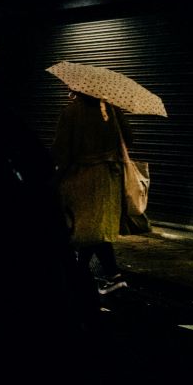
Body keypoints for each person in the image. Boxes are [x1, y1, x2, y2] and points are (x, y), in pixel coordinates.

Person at [51, 92, 129, 292]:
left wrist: (55, 177)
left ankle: (109, 274)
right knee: (94, 228)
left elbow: (61, 150)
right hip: (109, 178)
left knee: (82, 227)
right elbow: (129, 139)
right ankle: (82, 273)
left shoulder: (72, 112)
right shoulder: (113, 110)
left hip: (82, 178)